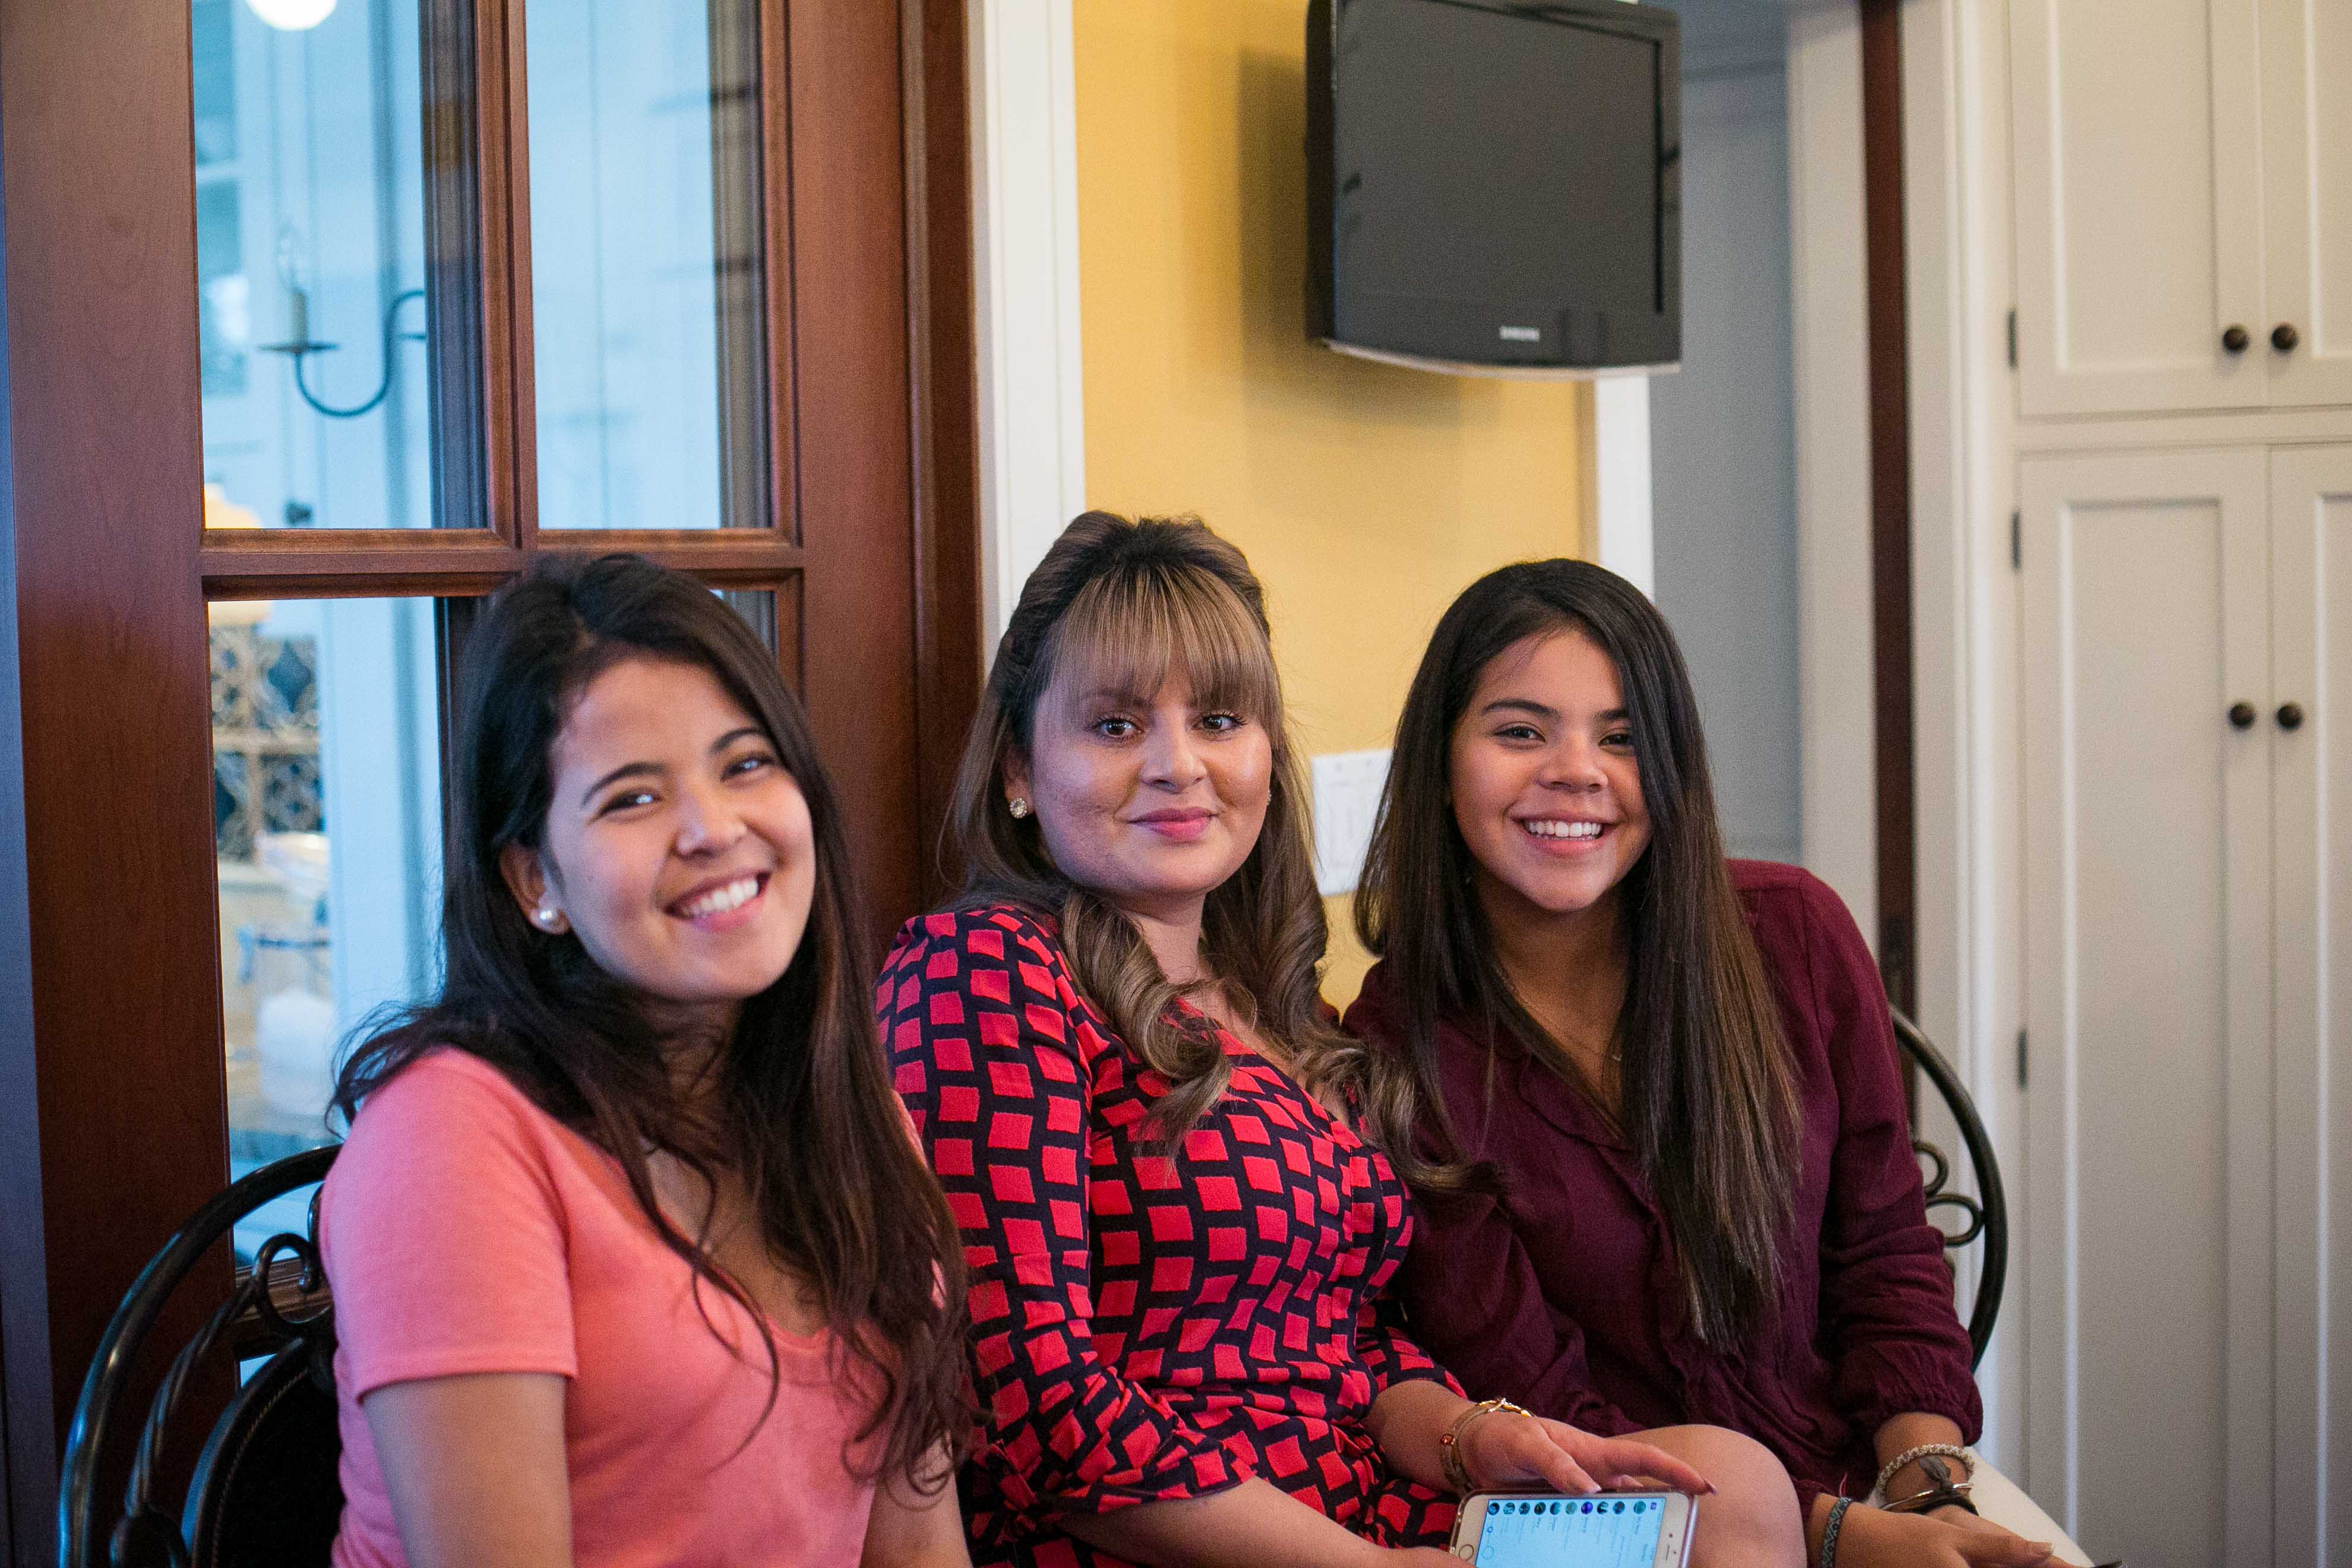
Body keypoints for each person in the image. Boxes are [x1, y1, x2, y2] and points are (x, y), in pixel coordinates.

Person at [878, 513, 1806, 1568]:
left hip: (1374, 1514)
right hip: (1170, 1544)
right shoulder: (985, 970)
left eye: (1219, 719)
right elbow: (1036, 1411)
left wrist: (1473, 1437)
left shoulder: (1288, 1016)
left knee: (1732, 1492)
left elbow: (1355, 1350)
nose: (1179, 765)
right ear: (1017, 767)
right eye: (1116, 725)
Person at [1345, 559, 2082, 1568]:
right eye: (1520, 732)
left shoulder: (1798, 933)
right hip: (1617, 1529)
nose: (1577, 771)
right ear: (1438, 761)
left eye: (1622, 737)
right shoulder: (1397, 1046)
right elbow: (1540, 1406)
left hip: (1884, 1482)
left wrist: (1929, 1488)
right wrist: (1840, 1537)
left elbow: (1885, 1253)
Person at [320, 554, 972, 1568]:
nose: (714, 828)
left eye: (745, 764)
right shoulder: (447, 1141)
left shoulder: (849, 1113)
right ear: (535, 882)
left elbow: (918, 1553)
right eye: (632, 799)